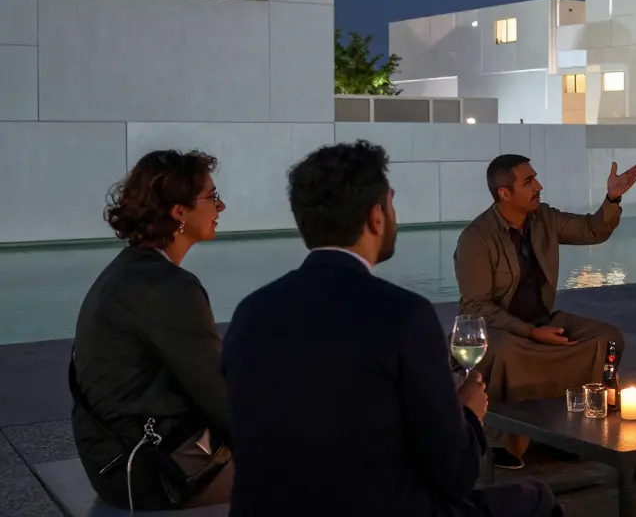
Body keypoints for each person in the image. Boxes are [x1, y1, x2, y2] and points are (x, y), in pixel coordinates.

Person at [222, 141, 559, 516]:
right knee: (535, 500)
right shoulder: (403, 315)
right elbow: (455, 475)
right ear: (376, 216)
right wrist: (467, 415)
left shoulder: (251, 314)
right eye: (391, 203)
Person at [453, 154, 636, 469]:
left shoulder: (545, 218)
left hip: (543, 322)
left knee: (606, 337)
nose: (539, 186)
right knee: (507, 351)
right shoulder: (476, 238)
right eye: (529, 182)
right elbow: (476, 307)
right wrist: (530, 332)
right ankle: (504, 441)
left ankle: (568, 432)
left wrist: (613, 197)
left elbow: (593, 230)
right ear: (504, 193)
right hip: (501, 332)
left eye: (535, 178)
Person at [70, 150, 233, 511]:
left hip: (113, 454)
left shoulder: (128, 270)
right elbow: (220, 397)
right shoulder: (166, 286)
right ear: (179, 212)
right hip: (151, 469)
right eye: (212, 197)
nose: (220, 207)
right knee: (310, 468)